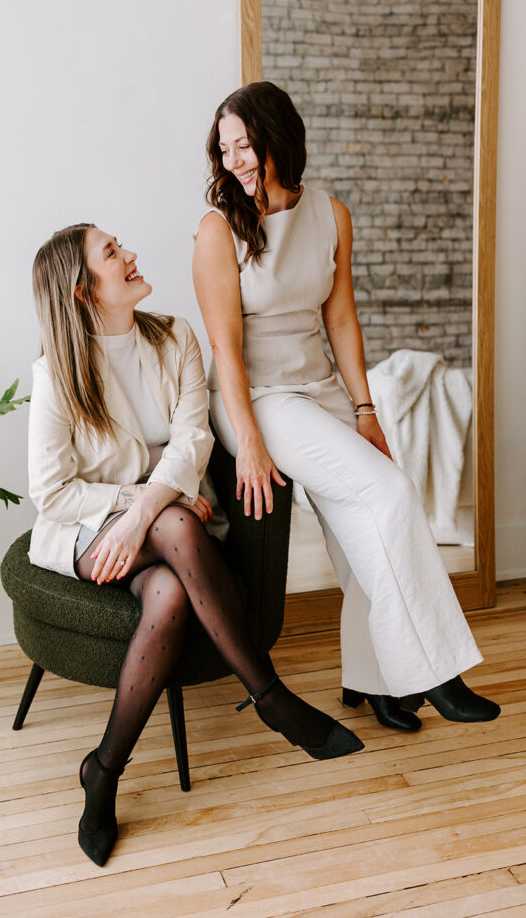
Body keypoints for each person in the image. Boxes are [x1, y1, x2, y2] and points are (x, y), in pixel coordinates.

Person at [28, 223, 363, 866]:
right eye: (111, 253)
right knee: (176, 524)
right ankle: (272, 697)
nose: (129, 255)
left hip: (169, 519)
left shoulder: (175, 336)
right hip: (90, 529)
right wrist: (138, 504)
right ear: (81, 291)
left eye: (122, 243)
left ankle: (103, 772)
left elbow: (194, 443)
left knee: (170, 593)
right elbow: (54, 494)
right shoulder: (57, 374)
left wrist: (154, 495)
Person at [193, 81, 500, 736]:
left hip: (320, 387)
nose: (235, 160)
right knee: (388, 493)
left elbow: (340, 318)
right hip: (259, 396)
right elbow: (223, 349)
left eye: (244, 145)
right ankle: (435, 672)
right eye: (225, 150)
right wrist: (247, 440)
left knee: (366, 524)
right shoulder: (217, 231)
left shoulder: (330, 213)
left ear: (279, 138)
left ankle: (375, 681)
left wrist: (365, 409)